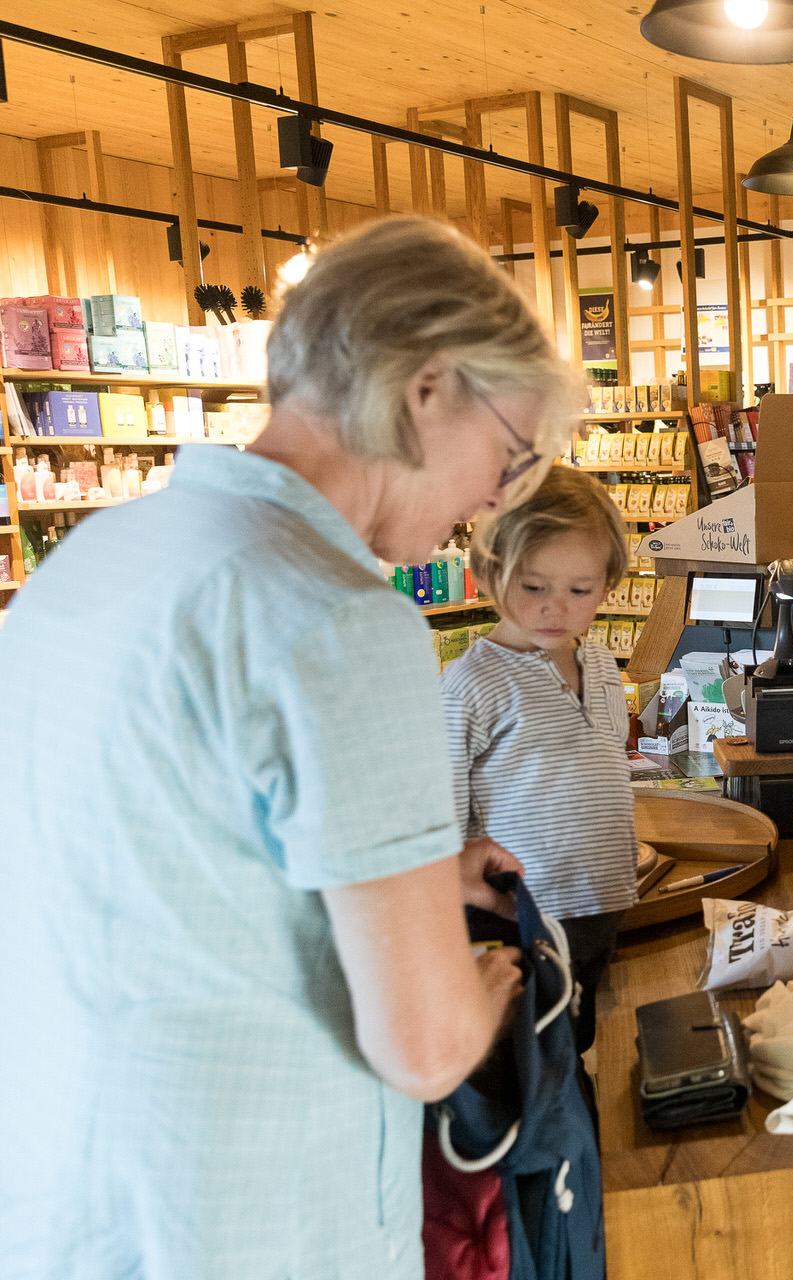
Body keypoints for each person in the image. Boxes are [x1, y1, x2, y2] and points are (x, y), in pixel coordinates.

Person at [0, 215, 578, 1279]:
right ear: (428, 388)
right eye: (510, 450)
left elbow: (164, 865)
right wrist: (487, 988)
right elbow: (426, 1044)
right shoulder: (337, 614)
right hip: (253, 1217)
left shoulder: (99, 557)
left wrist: (410, 875)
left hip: (65, 1206)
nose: (501, 496)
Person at [441, 464, 638, 1058]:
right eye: (534, 587)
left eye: (580, 590)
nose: (557, 607)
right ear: (490, 575)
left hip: (601, 904)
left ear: (607, 584)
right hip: (519, 918)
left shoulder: (601, 663)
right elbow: (442, 814)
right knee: (531, 1066)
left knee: (580, 1050)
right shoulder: (470, 684)